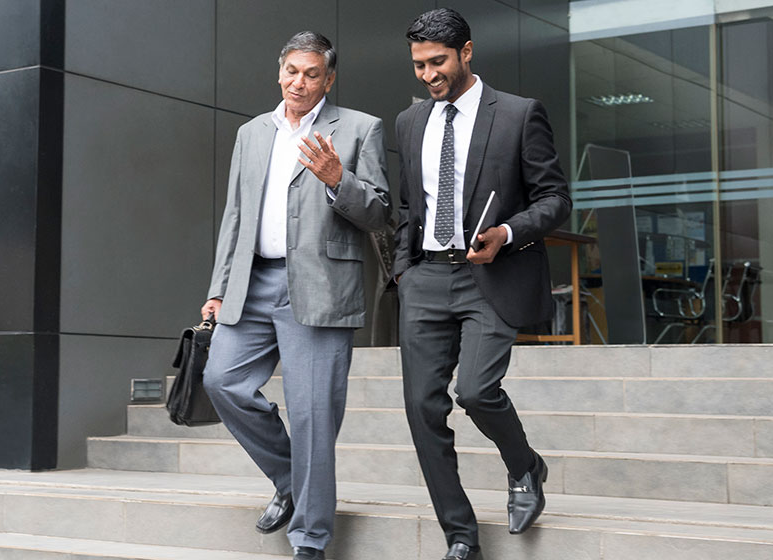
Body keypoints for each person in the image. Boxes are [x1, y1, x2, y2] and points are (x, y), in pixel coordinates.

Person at [199, 30, 391, 560]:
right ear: (278, 73)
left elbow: (378, 213)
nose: (299, 83)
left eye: (311, 74)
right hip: (252, 282)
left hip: (321, 286)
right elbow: (235, 216)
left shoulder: (359, 129)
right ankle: (291, 479)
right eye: (291, 71)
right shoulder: (252, 132)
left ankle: (309, 538)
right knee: (222, 381)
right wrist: (218, 289)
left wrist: (337, 179)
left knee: (313, 416)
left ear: (329, 79)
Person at [391, 8, 572, 560]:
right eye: (419, 64)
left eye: (438, 61)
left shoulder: (518, 114)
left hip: (489, 275)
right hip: (425, 277)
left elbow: (556, 200)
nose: (428, 75)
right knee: (423, 410)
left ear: (467, 52)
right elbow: (408, 204)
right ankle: (460, 536)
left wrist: (507, 232)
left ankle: (524, 466)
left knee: (474, 390)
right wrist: (404, 269)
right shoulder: (410, 121)